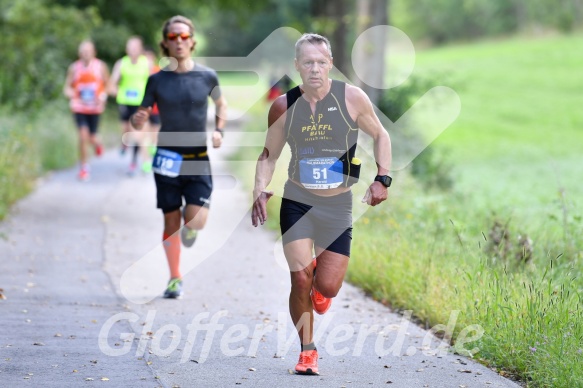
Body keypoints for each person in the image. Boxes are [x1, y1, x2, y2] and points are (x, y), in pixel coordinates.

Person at [251, 33, 392, 375]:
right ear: (297, 66)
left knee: (326, 285)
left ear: (330, 63)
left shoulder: (352, 98)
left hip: (337, 205)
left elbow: (381, 135)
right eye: (308, 62)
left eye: (321, 61)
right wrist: (259, 188)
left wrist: (382, 178)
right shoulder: (283, 106)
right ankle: (307, 352)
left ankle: (321, 292)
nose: (315, 68)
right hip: (298, 200)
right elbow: (269, 155)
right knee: (300, 279)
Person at [130, 15, 227, 299]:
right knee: (170, 221)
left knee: (195, 220)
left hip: (197, 158)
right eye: (173, 37)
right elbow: (141, 118)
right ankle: (175, 278)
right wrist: (137, 121)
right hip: (167, 159)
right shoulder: (156, 81)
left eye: (184, 36)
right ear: (165, 43)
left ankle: (191, 229)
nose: (179, 41)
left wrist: (219, 130)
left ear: (192, 42)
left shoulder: (208, 76)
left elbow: (221, 104)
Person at [63, 40, 109, 181]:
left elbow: (108, 85)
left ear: (94, 52)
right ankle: (84, 168)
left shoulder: (100, 67)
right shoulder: (74, 68)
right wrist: (70, 93)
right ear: (79, 53)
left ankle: (97, 144)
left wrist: (103, 95)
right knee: (83, 136)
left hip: (95, 108)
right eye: (83, 51)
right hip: (79, 107)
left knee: (92, 137)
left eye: (88, 51)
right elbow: (67, 87)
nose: (85, 54)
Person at [107, 36, 151, 176]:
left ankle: (135, 163)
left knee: (137, 134)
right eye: (130, 48)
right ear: (126, 49)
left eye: (135, 48)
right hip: (125, 102)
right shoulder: (121, 63)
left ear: (140, 49)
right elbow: (111, 84)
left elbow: (153, 83)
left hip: (140, 104)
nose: (132, 50)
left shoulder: (147, 63)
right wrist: (116, 91)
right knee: (125, 132)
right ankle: (124, 144)